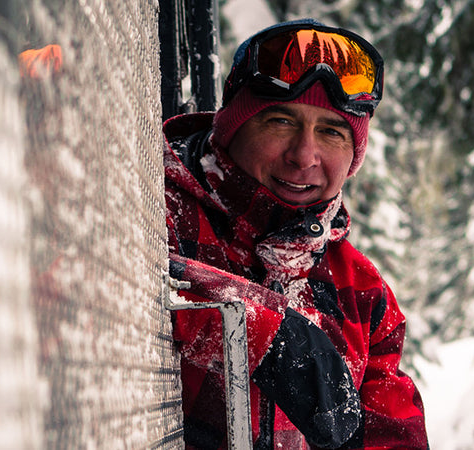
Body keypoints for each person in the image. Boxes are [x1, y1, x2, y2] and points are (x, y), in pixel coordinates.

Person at [165, 19, 428, 449]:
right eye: (281, 121)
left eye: (331, 131)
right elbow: (114, 285)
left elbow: (396, 437)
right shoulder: (160, 209)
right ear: (231, 128)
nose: (304, 156)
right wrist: (267, 334)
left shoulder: (363, 294)